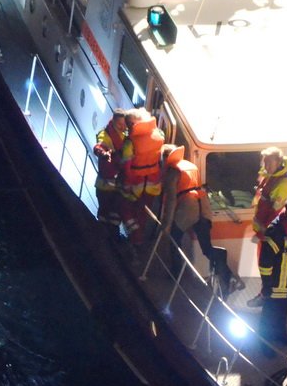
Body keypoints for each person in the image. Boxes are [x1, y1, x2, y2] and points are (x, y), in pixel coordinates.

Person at [252, 197, 287, 352]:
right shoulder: (275, 232)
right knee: (270, 313)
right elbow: (265, 262)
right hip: (276, 282)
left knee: (283, 311)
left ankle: (280, 334)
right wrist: (267, 284)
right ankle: (264, 342)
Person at [159, 144, 214, 273]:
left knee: (174, 237)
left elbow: (171, 200)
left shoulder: (173, 171)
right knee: (207, 247)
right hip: (203, 204)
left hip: (188, 206)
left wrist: (166, 223)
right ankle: (225, 273)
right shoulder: (191, 165)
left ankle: (176, 272)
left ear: (166, 157)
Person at [119, 108, 165, 244]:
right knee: (142, 215)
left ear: (132, 124)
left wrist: (126, 184)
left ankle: (134, 238)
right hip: (153, 185)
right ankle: (138, 240)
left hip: (135, 184)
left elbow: (127, 167)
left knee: (125, 209)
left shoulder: (130, 142)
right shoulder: (159, 135)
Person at [92, 109, 128, 236]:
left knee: (115, 215)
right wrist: (103, 153)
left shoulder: (125, 136)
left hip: (117, 185)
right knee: (103, 214)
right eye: (120, 125)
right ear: (113, 122)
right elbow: (99, 146)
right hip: (105, 185)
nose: (123, 127)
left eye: (124, 124)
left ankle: (113, 236)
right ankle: (102, 237)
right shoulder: (105, 134)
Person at [252, 147, 287, 241]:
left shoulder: (284, 183)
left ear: (278, 162)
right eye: (265, 162)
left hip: (272, 234)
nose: (266, 166)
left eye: (269, 163)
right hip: (263, 232)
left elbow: (276, 212)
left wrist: (264, 232)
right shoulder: (269, 176)